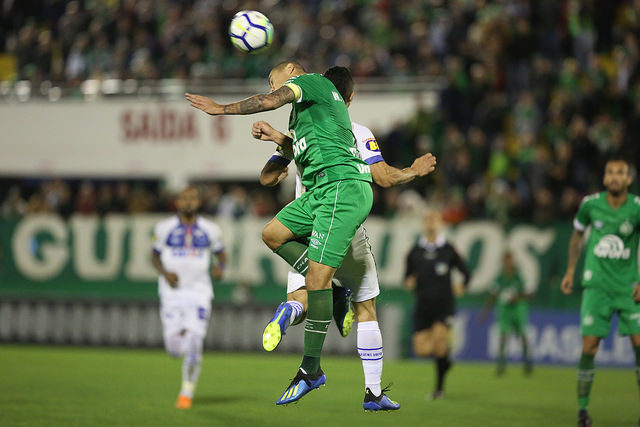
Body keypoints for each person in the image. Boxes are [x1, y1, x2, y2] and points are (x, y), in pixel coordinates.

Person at [187, 60, 405, 405]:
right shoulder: (306, 124)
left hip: (338, 199)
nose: (273, 86)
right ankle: (364, 379)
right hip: (318, 206)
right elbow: (269, 175)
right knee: (275, 237)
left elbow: (270, 101)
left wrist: (221, 109)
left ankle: (314, 370)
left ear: (291, 69)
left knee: (317, 289)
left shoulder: (315, 88)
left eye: (273, 79)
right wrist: (281, 142)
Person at [255, 66, 436, 411]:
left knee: (305, 296)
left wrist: (281, 142)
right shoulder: (357, 132)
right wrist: (412, 170)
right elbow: (382, 177)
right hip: (345, 226)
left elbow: (268, 178)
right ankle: (372, 392)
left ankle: (293, 317)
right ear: (348, 98)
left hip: (304, 230)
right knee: (366, 308)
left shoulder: (301, 129)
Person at [560, 155, 640, 427]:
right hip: (596, 288)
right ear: (605, 178)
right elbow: (577, 236)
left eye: (621, 173)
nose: (615, 177)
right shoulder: (590, 205)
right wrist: (571, 270)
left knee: (639, 345)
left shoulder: (637, 207)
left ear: (628, 179)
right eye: (610, 172)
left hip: (629, 289)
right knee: (589, 346)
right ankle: (583, 411)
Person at [151, 186, 227, 409]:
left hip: (199, 293)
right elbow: (154, 257)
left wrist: (220, 267)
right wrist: (165, 273)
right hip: (172, 293)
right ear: (177, 203)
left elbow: (221, 254)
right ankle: (185, 341)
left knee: (195, 340)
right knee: (174, 349)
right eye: (184, 199)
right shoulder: (164, 228)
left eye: (192, 199)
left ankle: (186, 392)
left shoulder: (210, 229)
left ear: (198, 203)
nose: (188, 202)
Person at [404, 208, 470, 400]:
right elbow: (407, 275)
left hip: (444, 305)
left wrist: (462, 285)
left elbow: (466, 272)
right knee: (421, 350)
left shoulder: (448, 249)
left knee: (440, 341)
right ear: (423, 225)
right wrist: (409, 281)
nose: (431, 222)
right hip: (423, 306)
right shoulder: (415, 251)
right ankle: (445, 360)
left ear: (440, 224)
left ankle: (439, 390)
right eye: (427, 219)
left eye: (435, 219)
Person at [483, 251, 533, 376]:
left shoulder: (519, 276)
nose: (508, 263)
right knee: (503, 337)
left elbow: (529, 293)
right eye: (506, 260)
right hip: (504, 310)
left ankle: (527, 362)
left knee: (522, 336)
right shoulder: (500, 278)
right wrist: (486, 312)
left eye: (510, 260)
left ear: (513, 261)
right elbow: (493, 295)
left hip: (518, 309)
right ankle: (501, 364)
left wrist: (517, 297)